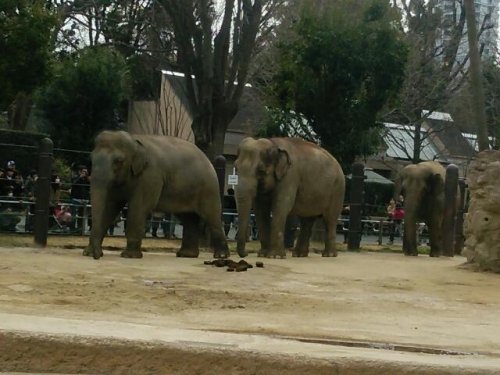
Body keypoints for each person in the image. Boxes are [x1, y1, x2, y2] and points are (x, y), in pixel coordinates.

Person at [70, 165, 91, 232]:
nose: (85, 173)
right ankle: (72, 228)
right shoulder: (75, 177)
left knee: (82, 215)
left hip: (84, 200)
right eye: (83, 171)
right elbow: (73, 184)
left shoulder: (86, 180)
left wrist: (88, 178)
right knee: (74, 215)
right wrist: (80, 177)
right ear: (79, 172)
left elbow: (89, 188)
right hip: (76, 199)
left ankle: (80, 229)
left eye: (86, 172)